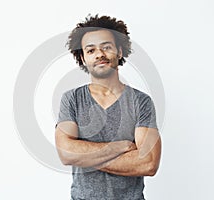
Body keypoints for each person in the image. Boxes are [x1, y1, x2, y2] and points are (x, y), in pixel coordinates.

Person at [55, 14, 161, 200]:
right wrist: (118, 147)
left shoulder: (141, 102)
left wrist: (84, 156)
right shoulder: (72, 99)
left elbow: (148, 163)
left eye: (107, 47)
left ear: (119, 51)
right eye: (91, 50)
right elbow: (65, 152)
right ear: (82, 57)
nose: (99, 54)